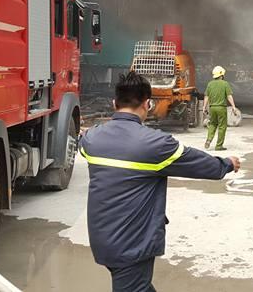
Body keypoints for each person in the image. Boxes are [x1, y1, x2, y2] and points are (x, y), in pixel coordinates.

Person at [80, 72, 241, 292]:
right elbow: (198, 163)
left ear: (114, 103)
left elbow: (81, 140)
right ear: (148, 104)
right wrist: (227, 164)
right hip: (132, 243)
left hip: (102, 239)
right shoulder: (156, 144)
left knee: (138, 286)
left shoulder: (92, 139)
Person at [203, 65, 236, 151]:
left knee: (212, 124)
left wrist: (204, 107)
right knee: (222, 126)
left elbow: (206, 96)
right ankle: (219, 146)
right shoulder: (225, 84)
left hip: (212, 108)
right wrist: (233, 106)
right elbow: (229, 96)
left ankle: (209, 139)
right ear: (221, 75)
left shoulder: (210, 84)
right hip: (221, 108)